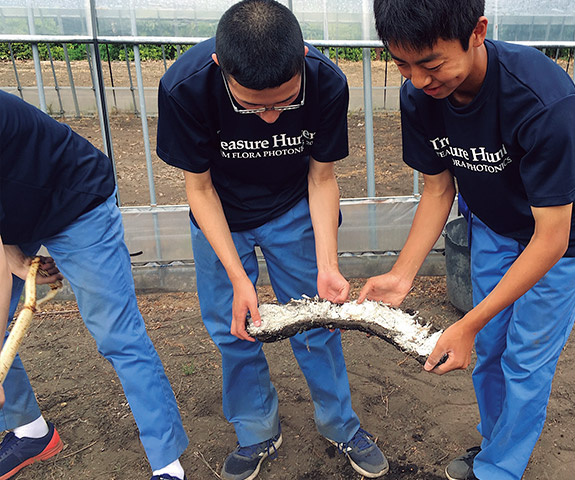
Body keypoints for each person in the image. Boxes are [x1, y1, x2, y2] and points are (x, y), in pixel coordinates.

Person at [362, 1, 575, 479]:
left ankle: (499, 469)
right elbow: (438, 188)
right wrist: (401, 274)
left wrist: (467, 324)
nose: (417, 80)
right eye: (402, 64)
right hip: (494, 221)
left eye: (432, 63)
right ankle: (495, 442)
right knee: (492, 346)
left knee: (526, 357)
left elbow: (551, 239)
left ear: (477, 31)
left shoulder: (540, 97)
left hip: (561, 235)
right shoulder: (420, 97)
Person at [156, 1, 389, 479]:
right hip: (222, 214)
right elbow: (197, 189)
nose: (269, 118)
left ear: (302, 58)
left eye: (285, 103)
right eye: (253, 105)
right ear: (221, 68)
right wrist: (240, 278)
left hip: (292, 208)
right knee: (234, 328)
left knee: (318, 320)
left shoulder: (326, 81)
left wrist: (328, 263)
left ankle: (340, 424)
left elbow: (322, 179)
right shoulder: (185, 87)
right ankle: (256, 430)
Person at [0, 90, 189, 480]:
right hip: (14, 211)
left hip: (75, 199)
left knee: (118, 335)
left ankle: (167, 465)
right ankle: (30, 431)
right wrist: (16, 258)